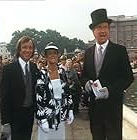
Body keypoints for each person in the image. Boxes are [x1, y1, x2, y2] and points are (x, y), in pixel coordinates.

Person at [81, 8, 134, 140]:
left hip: (113, 110)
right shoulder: (88, 53)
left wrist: (110, 90)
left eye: (105, 27)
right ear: (93, 31)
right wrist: (86, 83)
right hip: (94, 110)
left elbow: (128, 78)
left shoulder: (119, 51)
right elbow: (84, 76)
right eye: (99, 27)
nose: (103, 30)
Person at [0, 36, 39, 140]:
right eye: (24, 47)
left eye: (30, 47)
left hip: (29, 115)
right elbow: (3, 97)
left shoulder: (34, 67)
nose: (28, 50)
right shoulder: (8, 69)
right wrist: (5, 122)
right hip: (14, 117)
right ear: (19, 50)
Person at [35, 42, 74, 140]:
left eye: (54, 53)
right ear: (46, 56)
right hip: (47, 114)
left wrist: (70, 110)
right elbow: (39, 97)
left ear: (58, 55)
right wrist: (42, 118)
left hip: (61, 113)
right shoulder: (42, 73)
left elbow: (67, 92)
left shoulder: (62, 72)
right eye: (49, 53)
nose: (52, 55)